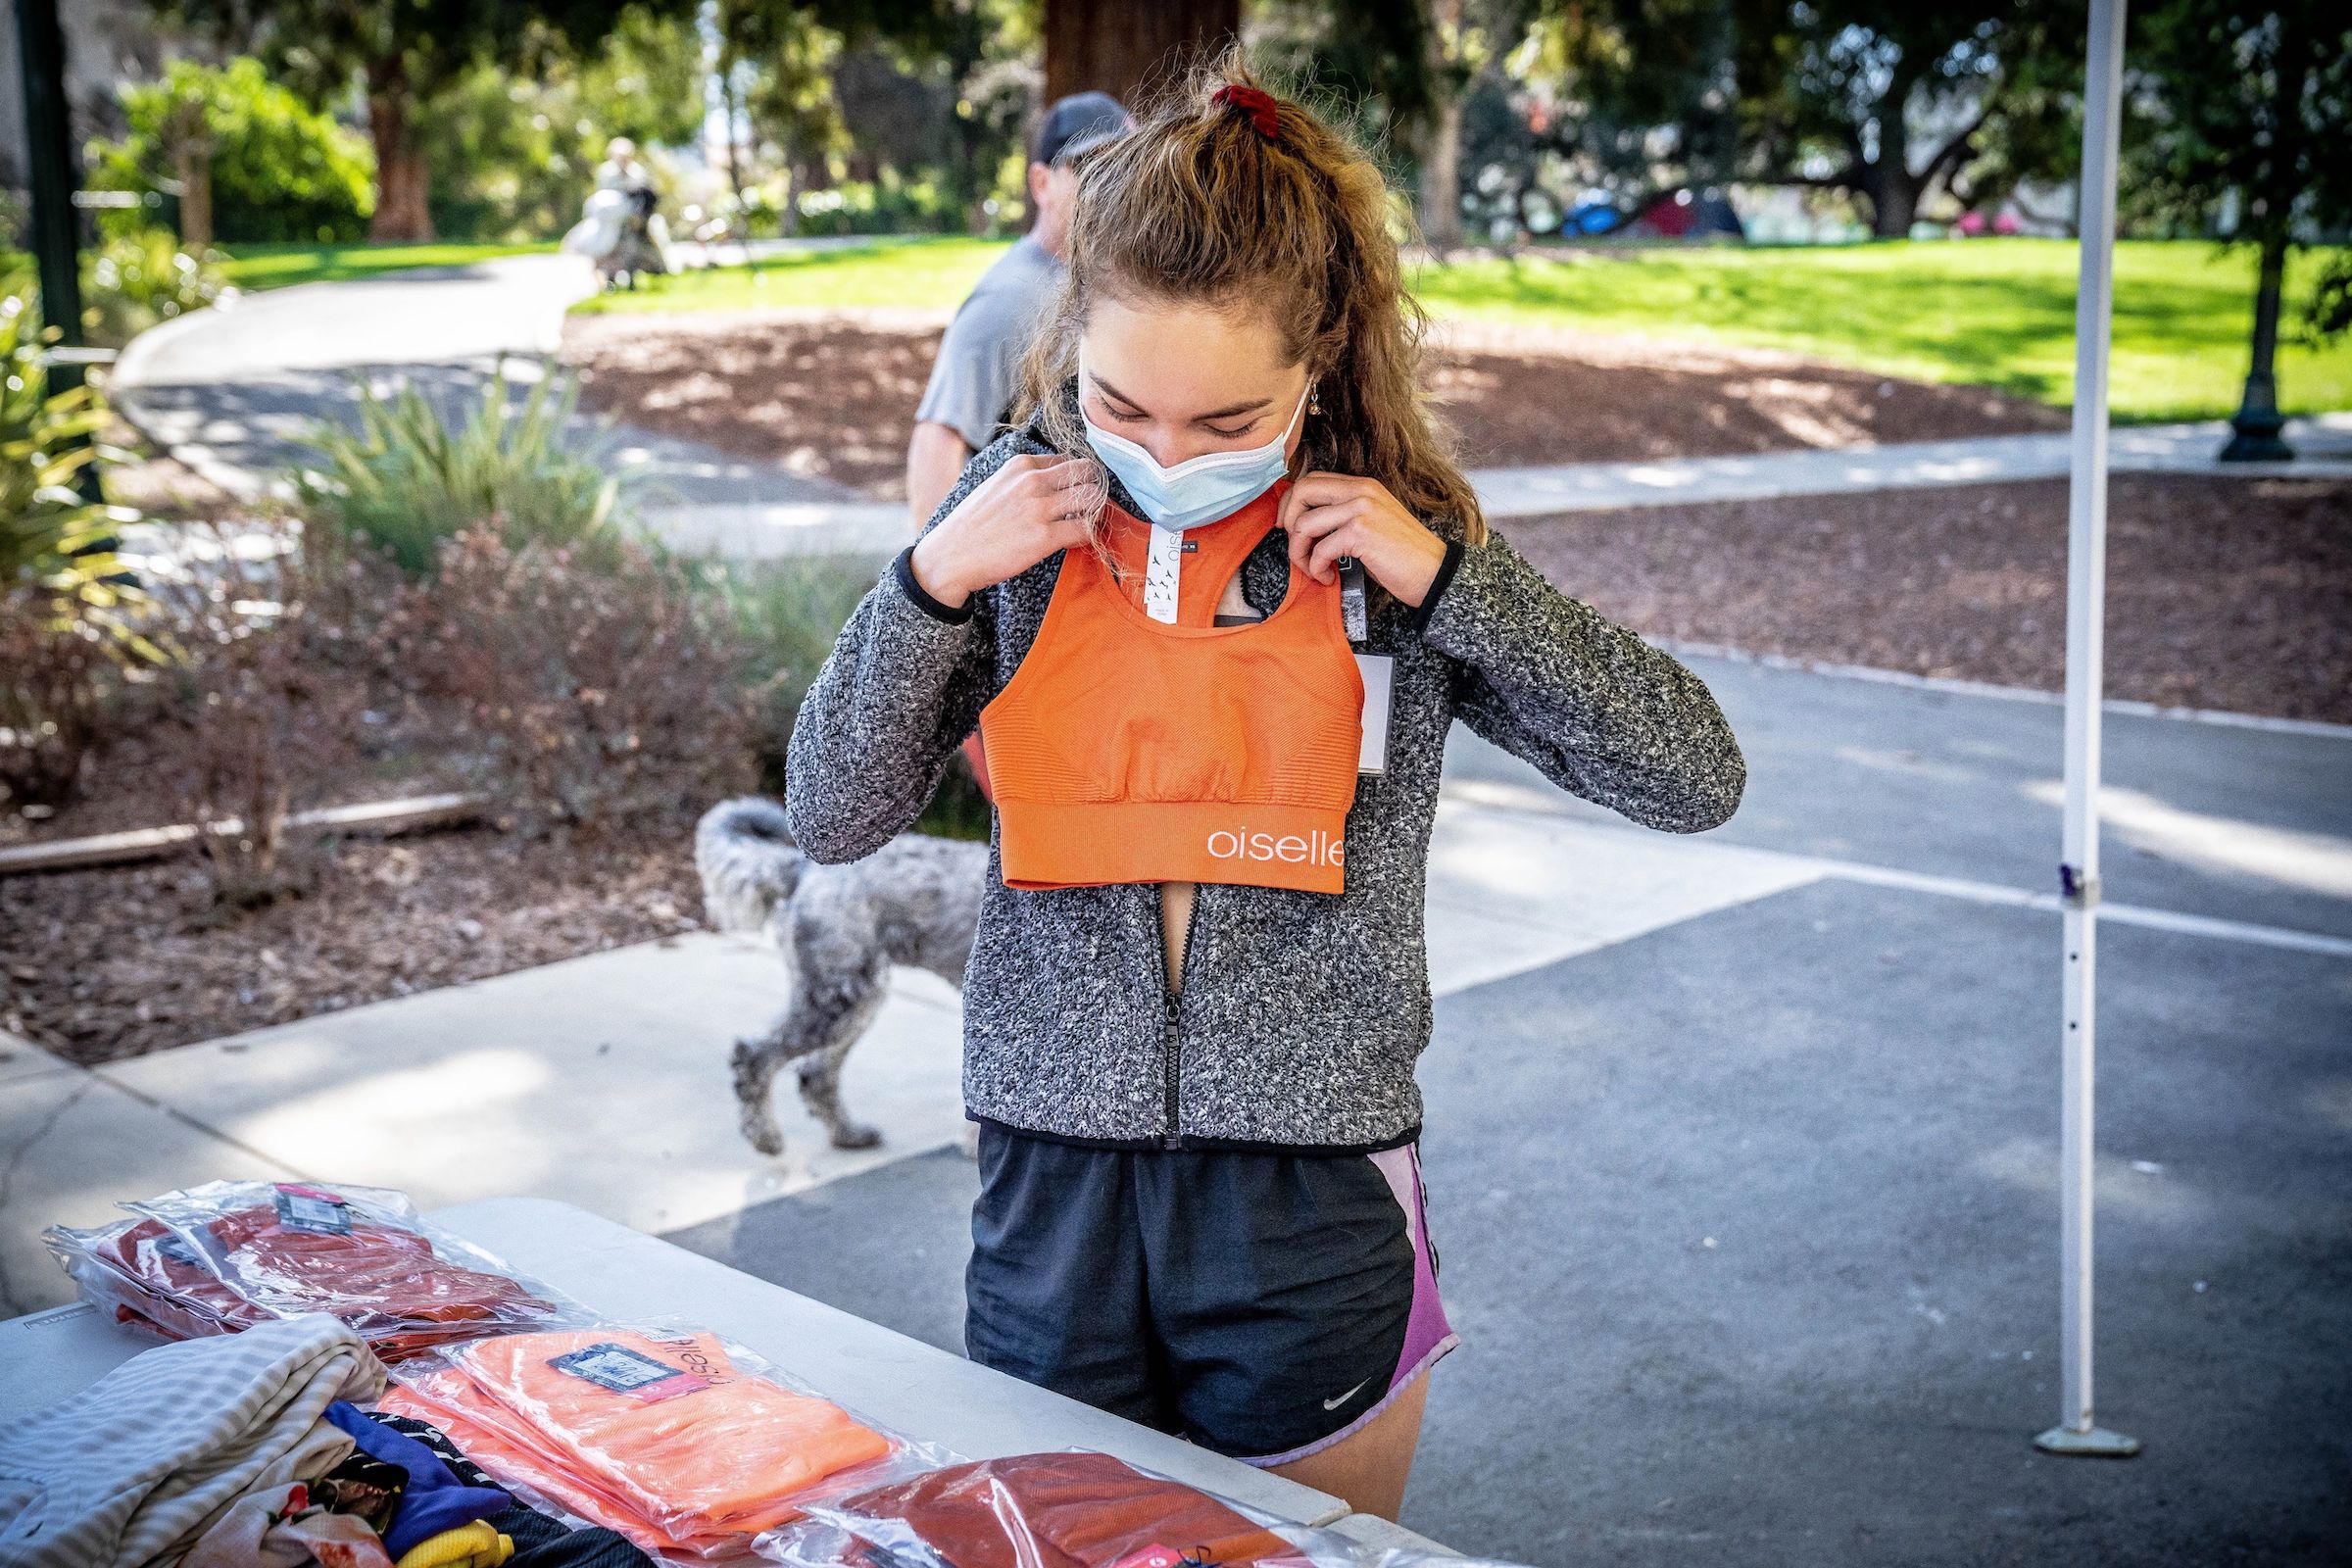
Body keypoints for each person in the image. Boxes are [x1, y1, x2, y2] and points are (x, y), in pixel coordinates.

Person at [785, 54, 1746, 1523]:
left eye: (1226, 424)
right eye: (1123, 405)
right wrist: (926, 584)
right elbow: (830, 815)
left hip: (1310, 1208)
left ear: (1319, 365)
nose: (1166, 455)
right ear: (1070, 351)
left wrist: (1454, 587)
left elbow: (1692, 776)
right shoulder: (1012, 521)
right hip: (1050, 1195)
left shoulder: (1396, 554)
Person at [909, 91, 1131, 800]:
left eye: (1122, 164)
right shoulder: (1010, 302)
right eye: (1088, 166)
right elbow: (938, 442)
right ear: (1042, 183)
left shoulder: (1107, 284)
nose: (1108, 183)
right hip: (1013, 639)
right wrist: (952, 616)